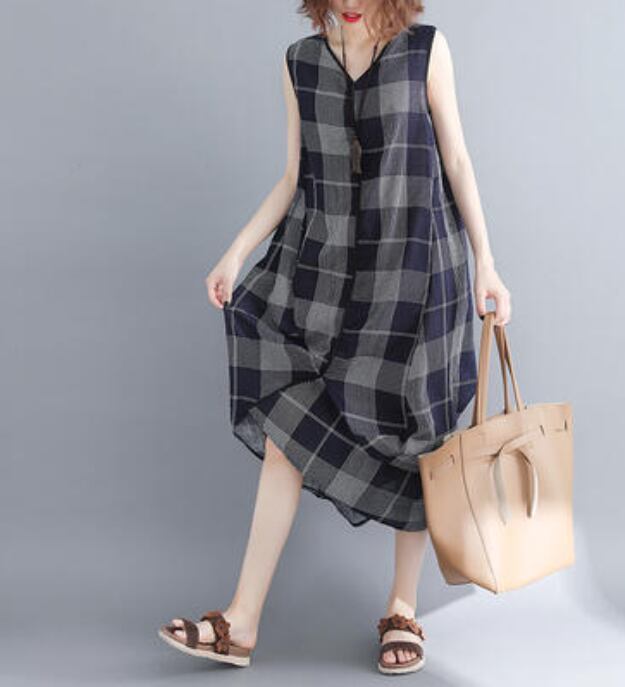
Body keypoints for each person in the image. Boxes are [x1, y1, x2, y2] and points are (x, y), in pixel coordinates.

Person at [158, 0, 511, 675]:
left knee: (421, 437)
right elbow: (295, 179)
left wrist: (487, 263)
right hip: (330, 282)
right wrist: (236, 251)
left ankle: (403, 607)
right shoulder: (300, 64)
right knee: (287, 429)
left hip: (419, 272)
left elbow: (457, 159)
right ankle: (241, 621)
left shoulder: (424, 51)